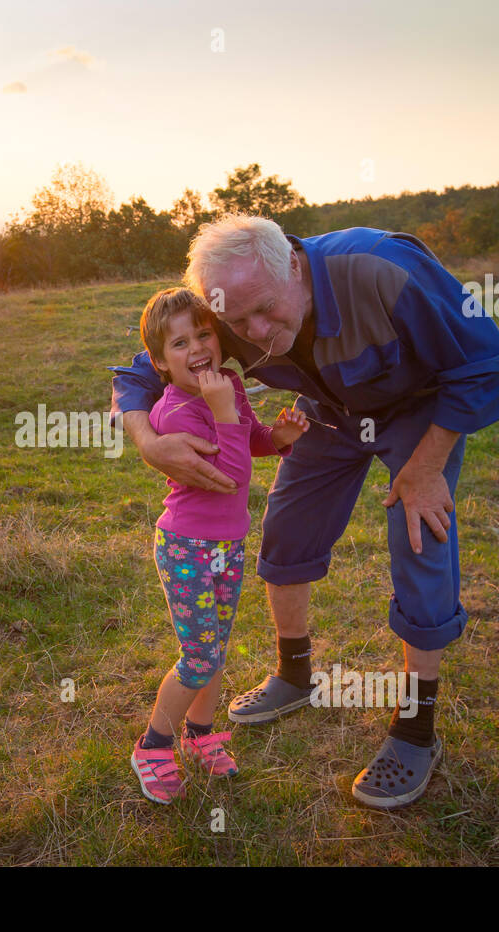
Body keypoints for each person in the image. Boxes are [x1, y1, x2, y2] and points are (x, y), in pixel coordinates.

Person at [111, 217, 499, 808]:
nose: (253, 334)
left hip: (418, 412)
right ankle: (295, 674)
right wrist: (147, 441)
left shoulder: (384, 270)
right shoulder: (227, 309)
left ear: (294, 268)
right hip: (328, 412)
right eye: (236, 322)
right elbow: (139, 370)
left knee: (419, 542)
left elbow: (486, 364)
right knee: (286, 534)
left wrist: (428, 465)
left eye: (267, 311)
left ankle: (415, 730)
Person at [129, 287, 309, 805]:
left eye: (203, 333)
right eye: (179, 343)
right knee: (198, 657)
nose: (197, 349)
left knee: (216, 649)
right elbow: (228, 477)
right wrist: (222, 410)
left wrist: (276, 437)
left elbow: (248, 439)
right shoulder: (175, 414)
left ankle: (201, 734)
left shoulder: (227, 384)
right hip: (186, 545)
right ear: (161, 363)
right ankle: (153, 746)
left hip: (227, 545)